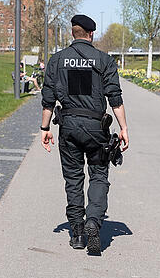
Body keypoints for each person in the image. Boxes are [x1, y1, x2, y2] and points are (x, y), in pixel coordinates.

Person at [40, 14, 129, 255]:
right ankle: (93, 221)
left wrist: (45, 129)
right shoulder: (104, 60)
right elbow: (115, 98)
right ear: (91, 34)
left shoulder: (57, 61)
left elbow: (48, 99)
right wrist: (123, 128)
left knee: (73, 179)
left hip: (68, 125)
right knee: (99, 175)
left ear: (72, 33)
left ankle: (78, 233)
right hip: (96, 128)